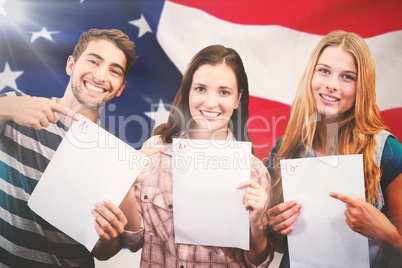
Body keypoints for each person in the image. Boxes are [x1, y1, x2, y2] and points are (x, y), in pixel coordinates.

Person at [91, 45, 274, 267]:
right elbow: (134, 241)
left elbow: (259, 262)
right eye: (200, 89)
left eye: (224, 92)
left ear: (237, 99)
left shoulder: (255, 173)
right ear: (188, 91)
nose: (210, 102)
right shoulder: (155, 151)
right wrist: (128, 186)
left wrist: (256, 226)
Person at [0, 28, 138, 267]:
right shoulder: (16, 108)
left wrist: (108, 237)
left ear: (120, 88)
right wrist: (7, 106)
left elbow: (103, 252)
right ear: (71, 65)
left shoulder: (116, 157)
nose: (100, 76)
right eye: (94, 61)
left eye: (114, 71)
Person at [265, 30, 402, 267]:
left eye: (347, 77)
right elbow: (277, 244)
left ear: (362, 87)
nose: (331, 85)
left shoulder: (387, 151)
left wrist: (384, 233)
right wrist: (275, 226)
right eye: (324, 71)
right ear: (311, 74)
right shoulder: (286, 147)